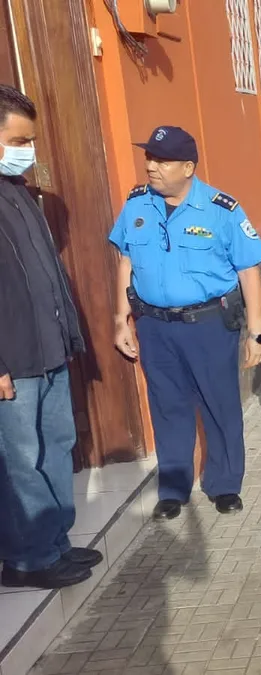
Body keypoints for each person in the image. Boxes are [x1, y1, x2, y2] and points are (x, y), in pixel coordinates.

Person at [110, 125, 261, 521]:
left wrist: (257, 331)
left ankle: (225, 484)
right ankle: (173, 488)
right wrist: (121, 319)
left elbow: (250, 270)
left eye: (162, 161)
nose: (151, 167)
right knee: (168, 407)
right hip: (155, 325)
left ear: (188, 167)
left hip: (208, 325)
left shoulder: (221, 209)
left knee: (220, 405)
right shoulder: (136, 206)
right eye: (149, 158)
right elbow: (125, 262)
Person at [0, 85, 96, 590]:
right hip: (12, 361)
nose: (28, 151)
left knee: (57, 444)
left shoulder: (18, 192)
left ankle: (55, 542)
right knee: (20, 458)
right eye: (19, 140)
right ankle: (27, 557)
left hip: (50, 348)